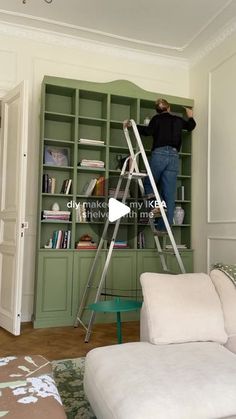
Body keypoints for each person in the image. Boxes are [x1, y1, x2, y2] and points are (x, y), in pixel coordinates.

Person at [124, 98, 196, 234]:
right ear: (169, 108)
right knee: (169, 194)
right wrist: (190, 115)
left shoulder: (156, 119)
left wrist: (132, 126)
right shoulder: (178, 120)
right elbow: (191, 126)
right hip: (174, 157)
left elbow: (147, 132)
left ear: (157, 110)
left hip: (159, 155)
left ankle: (157, 206)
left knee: (148, 183)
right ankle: (164, 228)